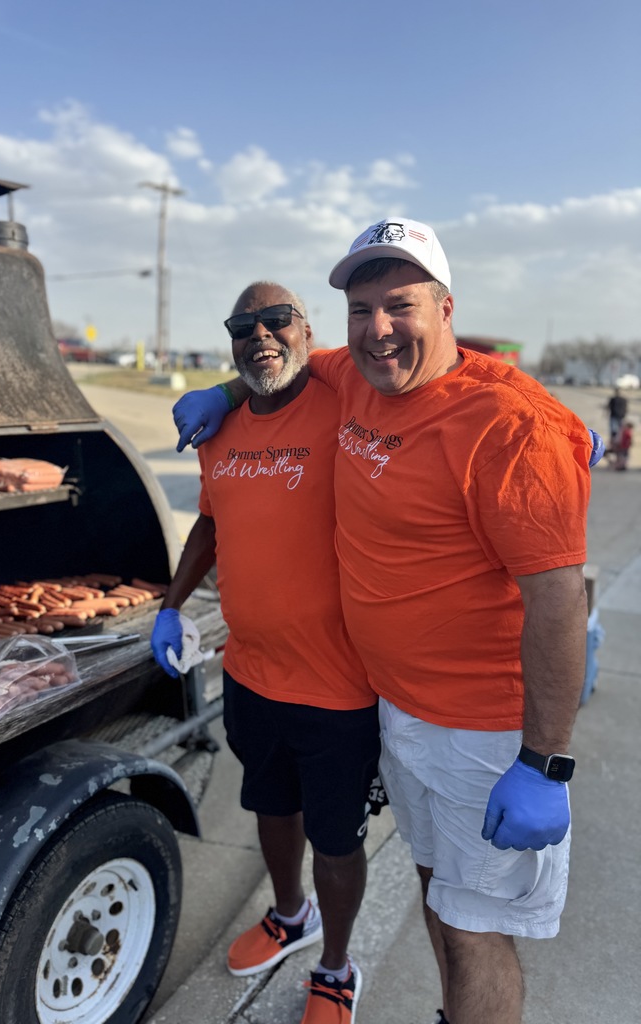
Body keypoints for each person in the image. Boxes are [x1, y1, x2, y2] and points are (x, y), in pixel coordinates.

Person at [172, 219, 597, 1024]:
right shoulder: (361, 374)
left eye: (398, 306)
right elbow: (279, 362)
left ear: (444, 307)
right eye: (360, 310)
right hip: (398, 709)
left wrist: (545, 763)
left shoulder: (510, 425)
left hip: (483, 731)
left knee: (478, 932)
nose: (378, 329)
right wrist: (222, 392)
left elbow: (558, 601)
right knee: (440, 892)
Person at [151, 281, 383, 1024]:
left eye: (277, 321)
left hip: (339, 686)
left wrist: (547, 425)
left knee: (337, 839)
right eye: (242, 326)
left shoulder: (345, 403)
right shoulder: (218, 431)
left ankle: (337, 968)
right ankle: (289, 915)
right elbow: (209, 528)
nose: (261, 336)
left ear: (307, 330)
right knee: (270, 807)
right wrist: (170, 605)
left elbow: (434, 372)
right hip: (249, 673)